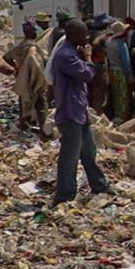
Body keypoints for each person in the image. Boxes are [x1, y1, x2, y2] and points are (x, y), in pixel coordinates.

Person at [50, 20, 109, 206]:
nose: (86, 39)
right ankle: (64, 195)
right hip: (69, 112)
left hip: (79, 110)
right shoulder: (66, 55)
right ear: (75, 35)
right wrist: (88, 58)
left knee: (88, 151)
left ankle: (99, 185)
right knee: (70, 155)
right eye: (84, 35)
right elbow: (88, 75)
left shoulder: (72, 52)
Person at [4, 22, 48, 131]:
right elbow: (43, 61)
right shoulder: (35, 47)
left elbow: (6, 57)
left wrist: (17, 68)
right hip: (35, 78)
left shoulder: (20, 46)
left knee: (24, 101)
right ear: (32, 32)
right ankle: (44, 129)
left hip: (23, 79)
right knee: (41, 104)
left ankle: (24, 126)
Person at [106, 21, 134, 123]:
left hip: (112, 71)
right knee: (123, 96)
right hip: (121, 72)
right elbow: (126, 63)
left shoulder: (109, 43)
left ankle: (116, 116)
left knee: (115, 94)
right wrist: (131, 78)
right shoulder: (121, 45)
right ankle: (121, 118)